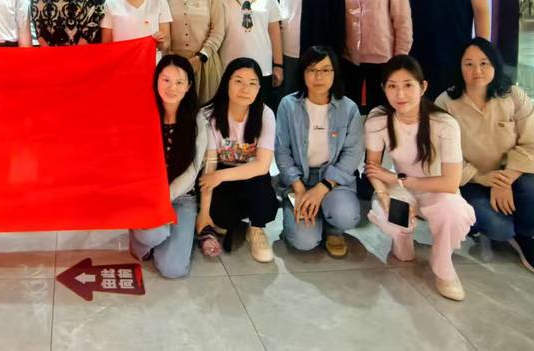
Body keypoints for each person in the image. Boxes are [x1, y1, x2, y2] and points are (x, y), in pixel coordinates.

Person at [435, 39, 534, 279]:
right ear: (459, 67)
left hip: (516, 175)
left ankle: (529, 234)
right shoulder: (446, 103)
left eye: (484, 63)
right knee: (498, 228)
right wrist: (482, 178)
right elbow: (440, 156)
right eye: (468, 64)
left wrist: (505, 180)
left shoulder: (513, 96)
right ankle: (507, 227)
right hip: (472, 181)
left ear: (495, 65)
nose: (477, 71)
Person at [365, 55, 475, 302]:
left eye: (408, 85)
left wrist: (400, 179)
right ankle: (402, 239)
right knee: (391, 216)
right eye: (392, 86)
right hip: (399, 190)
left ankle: (443, 265)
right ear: (383, 89)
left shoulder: (444, 124)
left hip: (436, 190)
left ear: (423, 87)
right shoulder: (378, 119)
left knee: (454, 213)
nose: (400, 94)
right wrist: (383, 193)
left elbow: (450, 183)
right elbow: (373, 167)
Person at [275, 46, 363, 258]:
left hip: (333, 181)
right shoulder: (288, 105)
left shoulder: (349, 108)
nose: (318, 76)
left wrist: (322, 188)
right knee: (304, 241)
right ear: (303, 73)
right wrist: (299, 188)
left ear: (334, 73)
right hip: (299, 180)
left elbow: (352, 155)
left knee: (346, 215)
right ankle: (305, 221)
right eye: (312, 70)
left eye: (325, 70)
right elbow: (282, 151)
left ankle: (333, 229)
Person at [129, 55, 208, 279]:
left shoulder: (198, 120)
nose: (172, 88)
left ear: (188, 86)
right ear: (156, 80)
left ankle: (165, 237)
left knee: (173, 270)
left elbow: (192, 171)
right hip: (147, 195)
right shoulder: (143, 114)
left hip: (181, 197)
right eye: (166, 80)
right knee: (153, 235)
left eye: (179, 82)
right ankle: (148, 238)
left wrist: (165, 198)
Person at [195, 59, 279, 262]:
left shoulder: (265, 114)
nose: (245, 89)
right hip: (219, 172)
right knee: (221, 219)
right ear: (227, 82)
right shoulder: (207, 115)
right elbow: (209, 169)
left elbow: (262, 166)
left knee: (263, 198)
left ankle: (256, 228)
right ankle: (227, 218)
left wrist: (221, 176)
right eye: (238, 81)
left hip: (251, 174)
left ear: (259, 88)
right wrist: (204, 214)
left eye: (252, 83)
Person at [338, 0, 412, 113]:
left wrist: (400, 56)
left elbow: (402, 21)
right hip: (348, 57)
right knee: (348, 109)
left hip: (382, 58)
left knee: (381, 110)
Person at [217, 0, 284, 107]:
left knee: (260, 113)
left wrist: (278, 64)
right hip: (227, 66)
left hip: (262, 66)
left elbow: (274, 29)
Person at [159, 0, 226, 104]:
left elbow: (218, 30)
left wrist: (200, 57)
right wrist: (170, 57)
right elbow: (161, 30)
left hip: (205, 63)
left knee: (206, 113)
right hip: (173, 65)